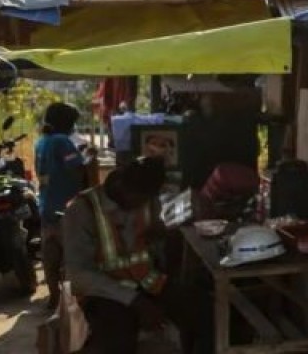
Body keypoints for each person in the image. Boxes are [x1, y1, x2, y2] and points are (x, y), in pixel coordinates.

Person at [63, 156, 197, 354]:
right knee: (118, 336)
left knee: (199, 308)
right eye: (141, 197)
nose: (145, 203)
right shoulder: (81, 210)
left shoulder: (147, 200)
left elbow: (151, 250)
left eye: (149, 197)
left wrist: (163, 237)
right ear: (119, 184)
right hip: (104, 293)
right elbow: (78, 276)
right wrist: (134, 300)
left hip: (149, 283)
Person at [35, 102, 89, 310]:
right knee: (70, 256)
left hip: (47, 204)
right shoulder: (62, 141)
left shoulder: (42, 141)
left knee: (50, 253)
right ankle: (69, 300)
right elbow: (77, 168)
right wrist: (86, 157)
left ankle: (53, 296)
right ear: (68, 123)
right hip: (66, 205)